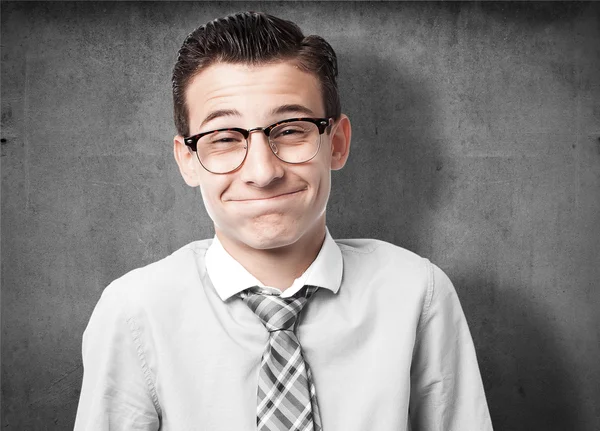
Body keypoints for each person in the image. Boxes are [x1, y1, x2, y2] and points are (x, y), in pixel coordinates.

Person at [74, 11, 493, 431]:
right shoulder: (134, 311)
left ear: (338, 143)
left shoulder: (417, 293)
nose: (263, 171)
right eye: (224, 138)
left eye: (291, 130)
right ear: (188, 160)